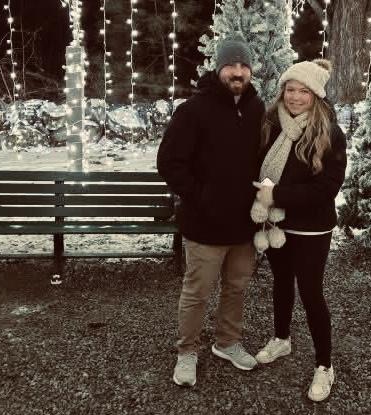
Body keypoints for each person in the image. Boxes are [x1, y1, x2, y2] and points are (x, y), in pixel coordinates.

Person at [157, 36, 265, 387]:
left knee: (237, 287)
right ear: (218, 68)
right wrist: (201, 196)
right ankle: (187, 351)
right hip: (205, 224)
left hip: (243, 225)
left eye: (244, 66)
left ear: (251, 71)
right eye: (231, 65)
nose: (238, 72)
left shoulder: (257, 109)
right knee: (197, 292)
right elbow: (169, 162)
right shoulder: (193, 110)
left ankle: (227, 342)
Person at [251, 59, 347, 402]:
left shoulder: (329, 133)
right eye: (289, 89)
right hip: (276, 223)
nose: (294, 97)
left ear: (316, 95)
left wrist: (277, 195)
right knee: (280, 283)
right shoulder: (270, 124)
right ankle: (281, 339)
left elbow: (326, 188)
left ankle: (324, 365)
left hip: (312, 228)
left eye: (303, 91)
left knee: (310, 291)